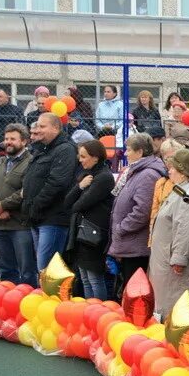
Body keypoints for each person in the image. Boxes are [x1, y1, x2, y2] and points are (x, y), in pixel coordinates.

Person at [148, 149, 189, 320]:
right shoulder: (183, 190)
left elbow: (185, 227)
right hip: (169, 258)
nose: (169, 170)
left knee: (177, 308)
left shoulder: (188, 193)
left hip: (177, 265)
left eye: (173, 168)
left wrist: (179, 258)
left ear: (183, 172)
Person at [21, 113, 79, 271]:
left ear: (56, 128)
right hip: (38, 217)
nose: (37, 130)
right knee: (42, 268)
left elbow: (57, 182)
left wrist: (35, 205)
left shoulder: (65, 150)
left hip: (53, 219)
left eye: (42, 126)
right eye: (37, 126)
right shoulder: (42, 149)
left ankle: (51, 297)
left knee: (47, 269)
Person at [108, 133, 167, 286]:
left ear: (140, 152)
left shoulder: (147, 174)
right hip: (130, 243)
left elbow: (143, 211)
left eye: (128, 150)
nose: (126, 154)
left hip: (136, 245)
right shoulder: (135, 171)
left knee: (135, 289)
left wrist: (121, 228)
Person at [0, 123, 36, 286]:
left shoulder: (32, 162)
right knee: (5, 271)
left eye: (13, 139)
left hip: (21, 227)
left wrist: (4, 206)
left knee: (27, 272)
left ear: (24, 141)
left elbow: (27, 190)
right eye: (6, 139)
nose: (8, 142)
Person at [64, 139, 115, 300]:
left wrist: (82, 190)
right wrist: (80, 186)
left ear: (95, 157)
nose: (80, 160)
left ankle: (99, 310)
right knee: (85, 278)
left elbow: (78, 205)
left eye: (84, 156)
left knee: (94, 279)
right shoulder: (87, 176)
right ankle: (88, 309)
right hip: (82, 233)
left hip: (93, 235)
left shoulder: (104, 177)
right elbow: (68, 202)